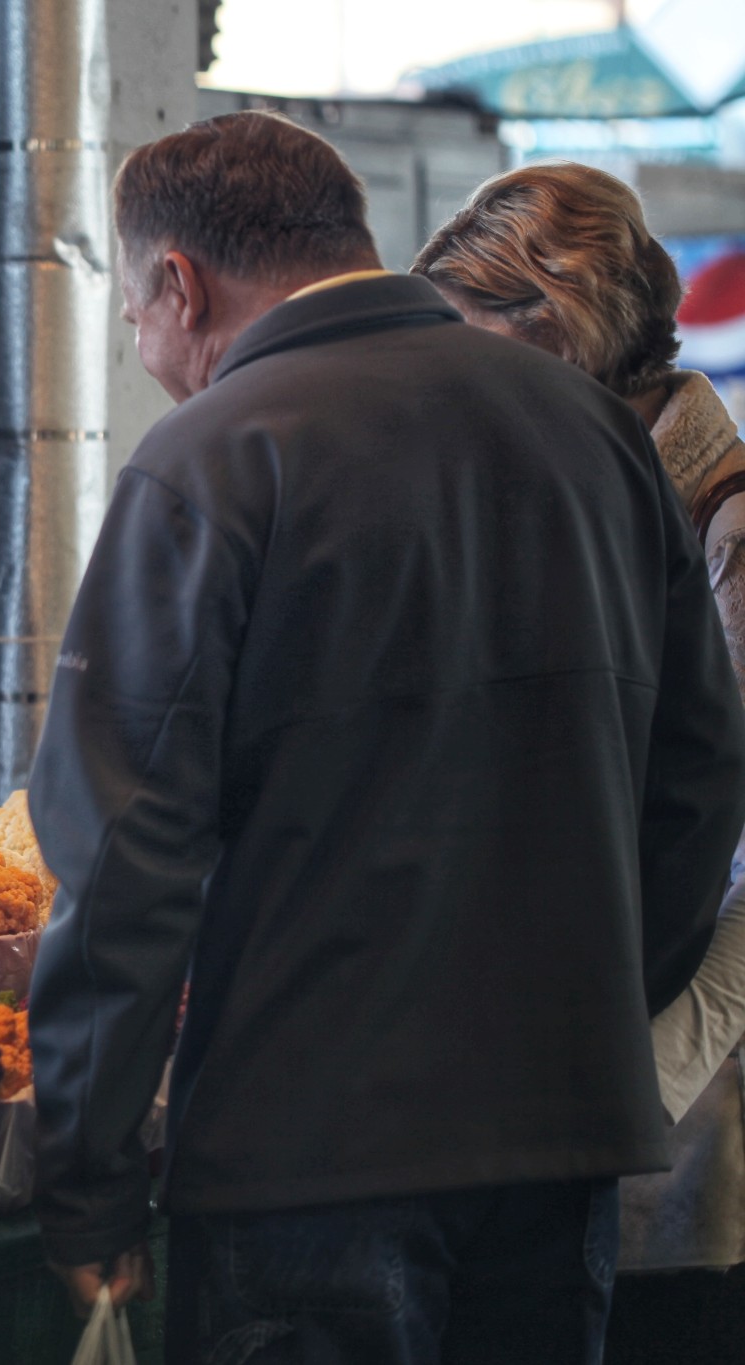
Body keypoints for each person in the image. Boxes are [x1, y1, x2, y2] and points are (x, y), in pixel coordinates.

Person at [25, 111, 745, 1365]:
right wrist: (591, 995)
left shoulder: (209, 457)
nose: (145, 353)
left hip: (306, 1154)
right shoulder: (594, 438)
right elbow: (699, 774)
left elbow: (123, 856)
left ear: (178, 285)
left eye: (135, 320)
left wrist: (84, 1174)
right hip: (559, 1142)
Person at [415, 162, 745, 1361]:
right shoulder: (580, 498)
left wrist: (641, 1076)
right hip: (557, 1093)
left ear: (552, 333)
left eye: (471, 345)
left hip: (678, 1122)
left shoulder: (720, 521)